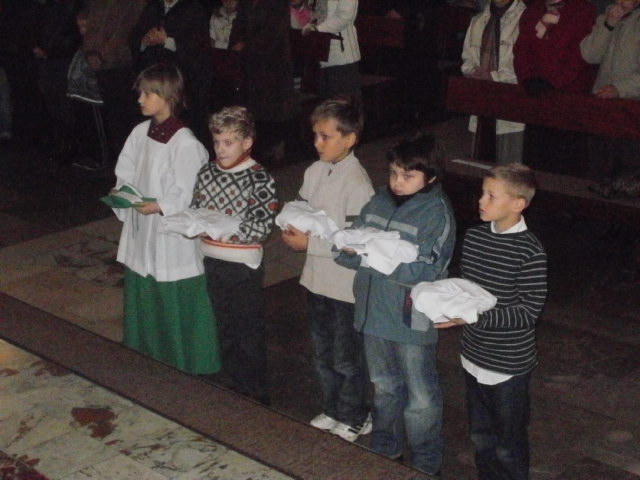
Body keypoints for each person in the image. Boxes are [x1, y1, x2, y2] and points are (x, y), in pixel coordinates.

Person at [335, 134, 456, 476]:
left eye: (408, 176)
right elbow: (348, 247)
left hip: (410, 318)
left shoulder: (436, 213)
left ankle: (425, 463)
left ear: (430, 177)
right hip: (373, 313)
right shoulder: (378, 202)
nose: (397, 182)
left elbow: (429, 268)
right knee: (384, 388)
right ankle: (386, 449)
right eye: (393, 173)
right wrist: (347, 248)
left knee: (420, 397)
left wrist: (376, 259)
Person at [436, 163, 548, 480]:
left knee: (508, 443)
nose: (481, 201)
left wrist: (473, 315)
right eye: (482, 193)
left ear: (518, 204)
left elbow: (528, 312)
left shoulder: (530, 251)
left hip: (507, 364)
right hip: (473, 354)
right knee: (481, 435)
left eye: (491, 195)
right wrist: (444, 302)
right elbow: (470, 291)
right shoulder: (475, 237)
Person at [110, 63, 221, 375]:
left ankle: (185, 357)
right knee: (144, 286)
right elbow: (126, 169)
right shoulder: (140, 132)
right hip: (142, 228)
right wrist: (122, 192)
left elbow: (190, 190)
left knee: (172, 293)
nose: (140, 99)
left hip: (169, 234)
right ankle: (146, 349)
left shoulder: (185, 143)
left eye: (148, 93)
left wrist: (160, 205)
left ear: (168, 96)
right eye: (141, 93)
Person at [281, 95, 374, 442]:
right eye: (315, 135)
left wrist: (309, 245)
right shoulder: (314, 170)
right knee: (323, 352)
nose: (317, 143)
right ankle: (333, 408)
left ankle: (356, 415)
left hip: (344, 287)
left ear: (350, 139)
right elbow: (303, 209)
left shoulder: (358, 184)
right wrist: (290, 223)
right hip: (316, 280)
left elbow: (353, 244)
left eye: (326, 136)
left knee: (347, 357)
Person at [192, 105, 278, 405]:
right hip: (213, 260)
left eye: (228, 142)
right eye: (216, 142)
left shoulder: (259, 178)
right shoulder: (206, 171)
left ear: (247, 142)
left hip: (242, 266)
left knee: (247, 330)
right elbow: (196, 209)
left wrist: (225, 231)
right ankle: (233, 381)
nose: (220, 149)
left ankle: (255, 391)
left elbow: (262, 227)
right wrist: (191, 224)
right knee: (224, 325)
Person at [129, 0, 214, 150]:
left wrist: (166, 40)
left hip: (182, 84)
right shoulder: (153, 7)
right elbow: (134, 36)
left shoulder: (194, 10)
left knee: (178, 133)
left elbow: (199, 49)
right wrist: (144, 40)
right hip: (153, 81)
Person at [580, 0, 640, 193]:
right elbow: (589, 55)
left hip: (632, 107)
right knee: (600, 169)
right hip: (604, 105)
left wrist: (620, 89)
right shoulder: (607, 17)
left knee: (627, 176)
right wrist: (608, 25)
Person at [229, 0, 297, 165]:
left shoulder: (277, 4)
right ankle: (256, 145)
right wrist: (235, 41)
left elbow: (273, 34)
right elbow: (238, 24)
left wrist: (246, 46)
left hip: (273, 63)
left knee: (271, 106)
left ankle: (274, 145)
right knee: (253, 104)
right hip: (251, 62)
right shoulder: (246, 3)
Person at [461, 0, 526, 164]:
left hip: (511, 104)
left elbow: (525, 68)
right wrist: (473, 71)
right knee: (479, 162)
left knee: (509, 165)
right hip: (481, 101)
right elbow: (467, 59)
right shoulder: (478, 21)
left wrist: (494, 77)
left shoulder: (525, 19)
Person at [67, 8, 109, 171]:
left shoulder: (94, 47)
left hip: (93, 96)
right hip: (81, 95)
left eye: (85, 26)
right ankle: (89, 155)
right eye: (80, 27)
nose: (82, 31)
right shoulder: (83, 47)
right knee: (85, 125)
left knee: (98, 127)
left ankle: (101, 159)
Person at [303, 0, 361, 98]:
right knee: (324, 102)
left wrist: (317, 29)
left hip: (342, 57)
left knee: (345, 102)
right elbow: (312, 10)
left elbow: (344, 18)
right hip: (320, 55)